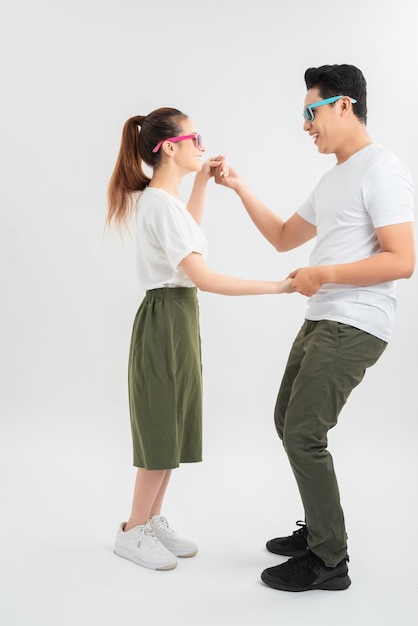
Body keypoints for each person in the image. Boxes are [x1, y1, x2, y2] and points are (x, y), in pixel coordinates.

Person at [214, 64, 415, 591]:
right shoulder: (333, 179)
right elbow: (283, 237)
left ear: (343, 105)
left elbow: (402, 260)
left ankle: (330, 562)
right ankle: (320, 530)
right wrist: (238, 186)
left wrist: (323, 273)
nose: (306, 125)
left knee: (304, 431)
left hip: (355, 322)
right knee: (287, 420)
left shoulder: (381, 167)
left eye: (312, 112)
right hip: (322, 317)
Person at [106, 107, 293, 572]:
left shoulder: (166, 204)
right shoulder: (156, 204)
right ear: (170, 147)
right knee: (158, 428)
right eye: (195, 138)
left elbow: (189, 231)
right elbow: (203, 277)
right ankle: (132, 531)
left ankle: (150, 521)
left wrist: (204, 184)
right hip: (166, 318)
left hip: (179, 317)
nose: (202, 146)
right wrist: (278, 286)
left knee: (171, 426)